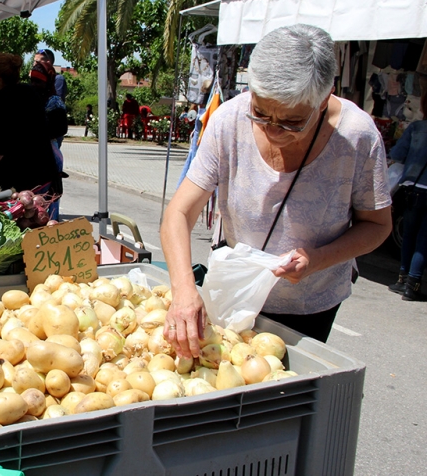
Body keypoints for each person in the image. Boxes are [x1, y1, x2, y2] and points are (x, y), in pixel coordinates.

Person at [160, 24, 392, 355]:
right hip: (234, 292)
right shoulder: (229, 120)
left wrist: (317, 259)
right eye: (261, 113)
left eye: (292, 122)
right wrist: (183, 289)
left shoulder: (357, 137)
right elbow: (179, 213)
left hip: (310, 307)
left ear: (324, 100)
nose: (274, 130)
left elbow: (377, 225)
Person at [0, 53, 58, 193]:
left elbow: (1, 141)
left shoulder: (1, 99)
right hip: (43, 173)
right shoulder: (29, 92)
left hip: (21, 178)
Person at [387, 87, 427, 301]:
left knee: (409, 234)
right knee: (424, 239)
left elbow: (397, 154)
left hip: (413, 189)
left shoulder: (417, 128)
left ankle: (402, 280)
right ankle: (413, 283)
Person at [29, 61, 67, 219]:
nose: (34, 85)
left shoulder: (54, 102)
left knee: (47, 205)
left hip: (49, 156)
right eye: (32, 81)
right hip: (34, 157)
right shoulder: (30, 98)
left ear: (48, 82)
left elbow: (59, 129)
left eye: (39, 81)